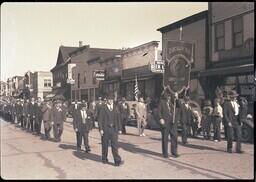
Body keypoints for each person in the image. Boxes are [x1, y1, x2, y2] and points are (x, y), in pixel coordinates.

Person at [98, 93, 124, 166]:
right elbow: (100, 119)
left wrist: (120, 129)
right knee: (105, 145)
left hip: (114, 129)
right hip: (106, 129)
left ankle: (117, 161)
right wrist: (101, 129)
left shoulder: (116, 108)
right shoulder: (103, 108)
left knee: (115, 145)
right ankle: (104, 158)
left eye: (111, 99)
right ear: (107, 100)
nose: (110, 101)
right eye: (109, 99)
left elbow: (118, 119)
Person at [158, 91, 179, 158]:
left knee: (174, 137)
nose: (169, 97)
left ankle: (174, 152)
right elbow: (159, 111)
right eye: (168, 96)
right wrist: (161, 118)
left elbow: (179, 106)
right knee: (165, 138)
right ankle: (165, 153)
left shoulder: (172, 103)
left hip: (172, 123)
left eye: (170, 96)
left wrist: (177, 98)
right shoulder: (162, 102)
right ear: (165, 97)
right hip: (165, 123)